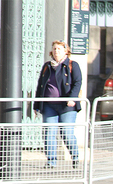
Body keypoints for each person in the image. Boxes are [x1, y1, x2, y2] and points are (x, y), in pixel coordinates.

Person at [34, 40, 82, 169]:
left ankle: (75, 156)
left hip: (67, 106)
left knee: (66, 133)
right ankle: (51, 161)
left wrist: (72, 98)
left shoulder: (72, 65)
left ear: (66, 51)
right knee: (49, 132)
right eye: (54, 49)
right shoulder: (47, 66)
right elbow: (41, 86)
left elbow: (77, 82)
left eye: (59, 49)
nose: (56, 51)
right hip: (49, 105)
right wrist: (36, 105)